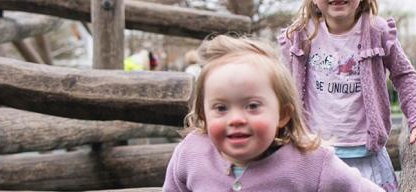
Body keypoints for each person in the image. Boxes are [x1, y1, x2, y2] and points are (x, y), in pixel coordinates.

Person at [276, 0, 416, 190]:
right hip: (315, 153)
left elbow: (404, 74)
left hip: (365, 155)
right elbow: (282, 84)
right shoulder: (301, 36)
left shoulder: (376, 31)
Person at [163, 35, 382, 192]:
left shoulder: (311, 162)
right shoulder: (191, 154)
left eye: (252, 106)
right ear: (203, 114)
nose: (236, 119)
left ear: (282, 114)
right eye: (221, 108)